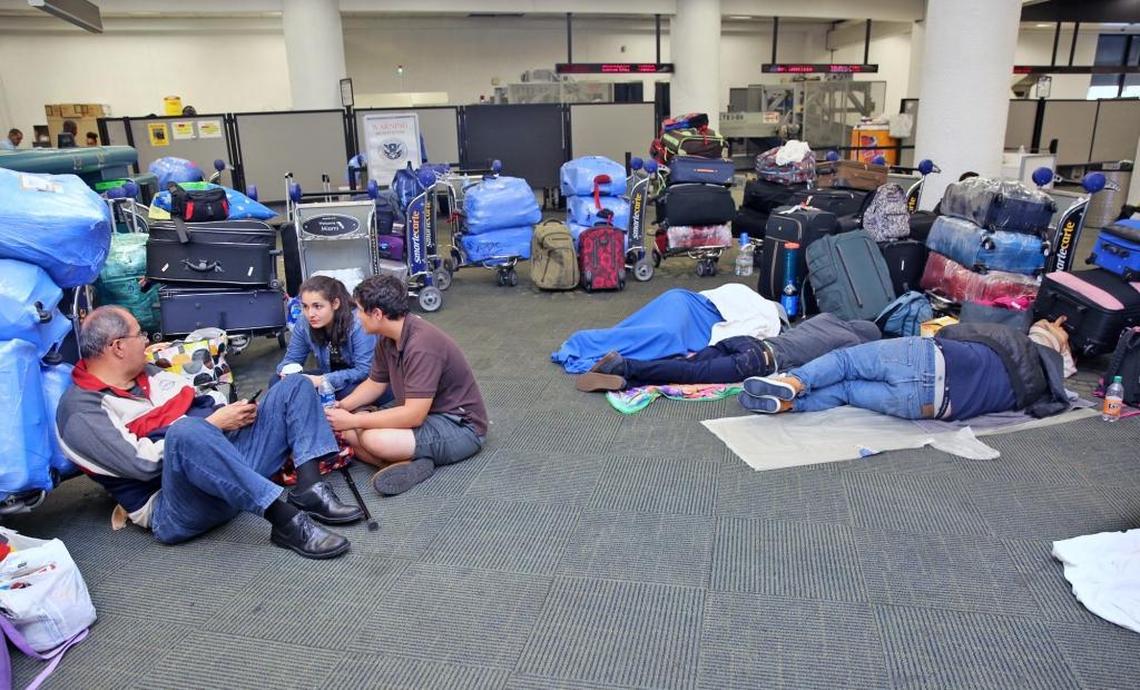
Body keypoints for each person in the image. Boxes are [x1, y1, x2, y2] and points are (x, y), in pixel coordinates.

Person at [56, 306, 363, 559]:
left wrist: (234, 414)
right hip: (174, 506)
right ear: (118, 347)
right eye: (140, 335)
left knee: (296, 384)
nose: (147, 341)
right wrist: (214, 424)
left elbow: (207, 400)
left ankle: (309, 488)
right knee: (186, 432)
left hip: (227, 466)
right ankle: (284, 520)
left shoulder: (148, 373)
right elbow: (142, 465)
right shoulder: (80, 412)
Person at [326, 275, 488, 496]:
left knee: (371, 437)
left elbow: (414, 416)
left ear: (377, 314)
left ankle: (406, 459)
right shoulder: (388, 337)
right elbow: (374, 383)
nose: (357, 317)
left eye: (360, 310)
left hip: (460, 426)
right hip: (425, 413)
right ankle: (404, 464)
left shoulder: (421, 345)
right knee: (351, 433)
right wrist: (341, 407)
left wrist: (354, 419)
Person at [738, 318, 1073, 421]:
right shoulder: (1036, 391)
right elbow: (1063, 366)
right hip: (924, 406)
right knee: (845, 391)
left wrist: (1046, 332)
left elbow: (953, 332)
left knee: (845, 362)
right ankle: (789, 404)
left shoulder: (1012, 340)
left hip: (927, 358)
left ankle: (794, 382)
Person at [575, 312, 881, 391]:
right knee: (691, 375)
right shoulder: (851, 344)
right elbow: (830, 368)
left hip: (745, 341)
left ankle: (629, 380)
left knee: (686, 364)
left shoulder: (828, 318)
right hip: (758, 361)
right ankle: (625, 367)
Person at [275, 276, 377, 400]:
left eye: (317, 306)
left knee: (342, 392)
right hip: (328, 376)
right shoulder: (304, 321)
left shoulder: (357, 323)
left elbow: (364, 370)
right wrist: (286, 372)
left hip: (357, 380)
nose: (310, 314)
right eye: (305, 307)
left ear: (335, 304)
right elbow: (292, 358)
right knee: (276, 383)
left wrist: (322, 380)